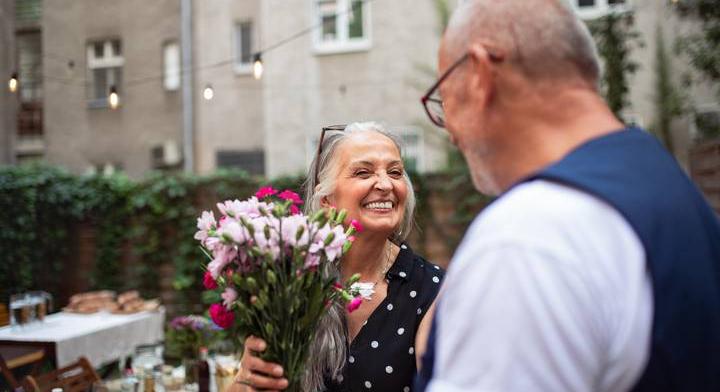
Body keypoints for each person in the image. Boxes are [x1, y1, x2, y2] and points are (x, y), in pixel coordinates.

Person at [416, 0, 720, 391]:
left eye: (443, 99)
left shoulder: (528, 237)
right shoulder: (665, 180)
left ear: (479, 75)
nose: (449, 130)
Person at [230, 122, 444, 392]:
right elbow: (248, 382)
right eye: (363, 172)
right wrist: (249, 379)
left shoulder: (431, 290)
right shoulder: (290, 281)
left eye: (395, 172)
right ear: (327, 200)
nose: (385, 183)